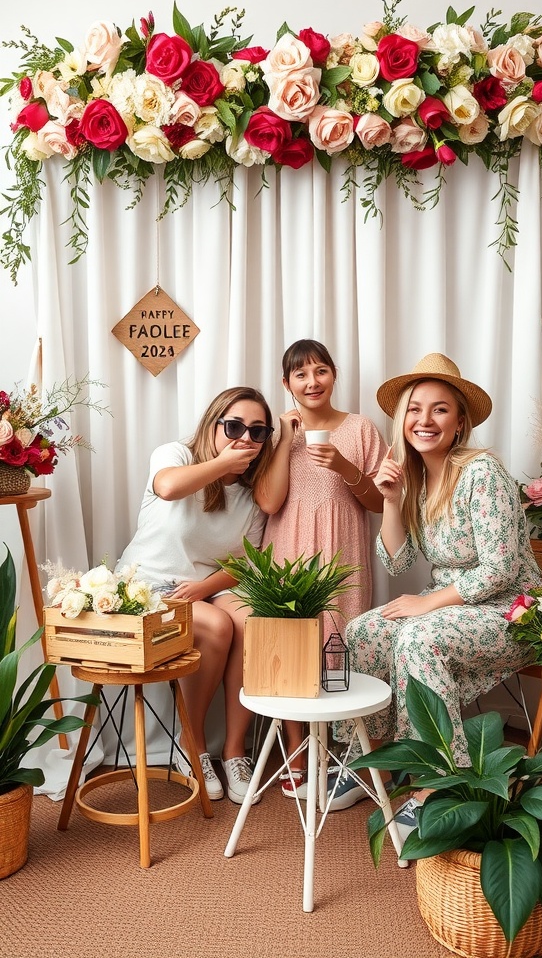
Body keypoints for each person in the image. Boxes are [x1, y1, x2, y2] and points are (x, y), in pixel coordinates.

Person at [333, 352, 541, 820]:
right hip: (453, 608)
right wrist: (390, 501)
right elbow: (397, 559)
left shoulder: (481, 473)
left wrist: (428, 602)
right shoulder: (417, 479)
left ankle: (438, 784)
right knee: (363, 632)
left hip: (512, 611)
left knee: (418, 636)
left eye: (440, 409)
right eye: (415, 408)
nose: (424, 420)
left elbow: (501, 570)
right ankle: (373, 764)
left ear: (460, 423)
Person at [115, 387, 274, 805]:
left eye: (257, 432)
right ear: (213, 424)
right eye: (235, 426)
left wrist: (204, 588)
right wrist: (220, 464)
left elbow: (247, 562)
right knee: (217, 625)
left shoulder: (252, 495)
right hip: (147, 585)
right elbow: (168, 489)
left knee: (251, 620)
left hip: (204, 588)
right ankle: (194, 744)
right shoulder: (176, 456)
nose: (245, 439)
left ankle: (235, 750)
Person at [256, 339, 386, 799]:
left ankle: (348, 756)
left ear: (334, 375)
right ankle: (299, 754)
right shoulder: (274, 434)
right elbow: (269, 502)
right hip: (287, 552)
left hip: (343, 553)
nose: (312, 382)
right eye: (300, 374)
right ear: (286, 383)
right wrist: (285, 441)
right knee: (291, 650)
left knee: (340, 645)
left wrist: (346, 465)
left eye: (320, 371)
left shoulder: (361, 429)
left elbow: (379, 502)